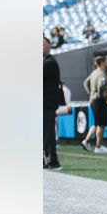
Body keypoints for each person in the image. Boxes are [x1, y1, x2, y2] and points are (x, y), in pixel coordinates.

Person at [82, 55, 107, 154]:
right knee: (101, 124)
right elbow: (101, 86)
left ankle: (86, 141)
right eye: (106, 60)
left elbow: (85, 83)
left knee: (96, 123)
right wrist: (100, 94)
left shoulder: (94, 72)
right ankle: (98, 147)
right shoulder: (101, 74)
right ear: (103, 62)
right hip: (99, 100)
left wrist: (91, 93)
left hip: (93, 100)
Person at [43, 36, 65, 170]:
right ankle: (47, 160)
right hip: (43, 102)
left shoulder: (49, 62)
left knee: (48, 132)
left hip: (47, 102)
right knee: (44, 132)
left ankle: (53, 161)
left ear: (48, 46)